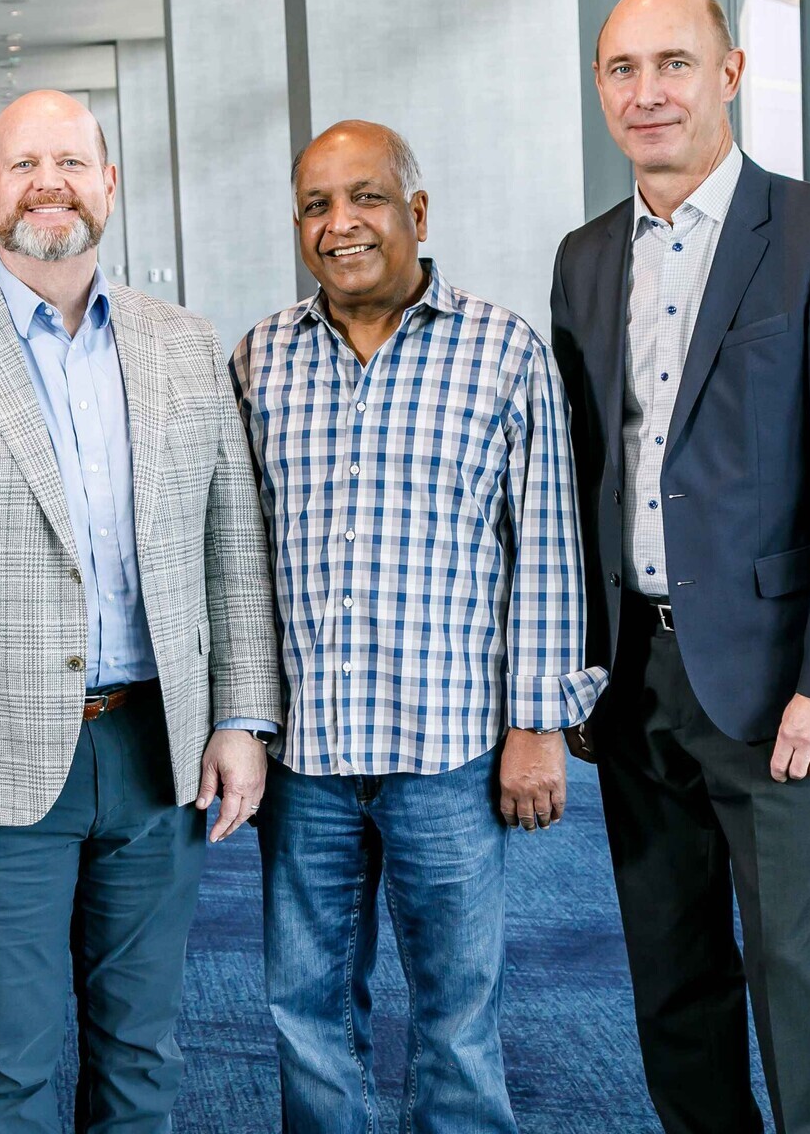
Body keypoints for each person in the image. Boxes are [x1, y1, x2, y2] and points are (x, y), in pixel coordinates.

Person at [0, 89, 280, 1132]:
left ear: (109, 184)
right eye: (27, 164)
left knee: (143, 1051)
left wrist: (241, 717)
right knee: (14, 1064)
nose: (52, 185)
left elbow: (233, 550)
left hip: (155, 745)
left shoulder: (184, 344)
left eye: (74, 163)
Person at [551, 0, 810, 1133]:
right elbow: (581, 478)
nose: (647, 92)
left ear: (733, 73)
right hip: (632, 674)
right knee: (670, 970)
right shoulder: (585, 256)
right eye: (621, 70)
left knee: (793, 966)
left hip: (776, 684)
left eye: (673, 64)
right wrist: (569, 667)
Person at [232, 120, 605, 1132]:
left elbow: (549, 552)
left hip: (449, 751)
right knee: (304, 1011)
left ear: (417, 214)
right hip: (304, 758)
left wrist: (537, 724)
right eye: (316, 205)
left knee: (456, 1015)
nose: (341, 223)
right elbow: (236, 561)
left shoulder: (503, 349)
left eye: (366, 198)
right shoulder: (262, 359)